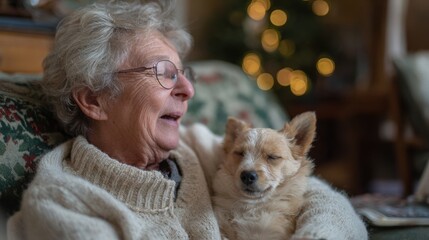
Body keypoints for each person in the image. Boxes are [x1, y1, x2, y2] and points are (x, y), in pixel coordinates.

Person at [7, 0, 368, 239]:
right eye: (165, 73)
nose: (187, 90)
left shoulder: (196, 146)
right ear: (94, 99)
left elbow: (315, 194)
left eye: (185, 74)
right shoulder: (62, 202)